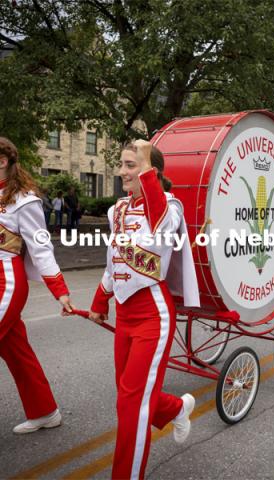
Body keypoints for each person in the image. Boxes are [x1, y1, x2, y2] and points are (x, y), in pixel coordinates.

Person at [88, 139, 200, 480]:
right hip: (125, 314)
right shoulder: (117, 210)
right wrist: (100, 298)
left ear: (151, 170)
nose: (122, 172)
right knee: (128, 392)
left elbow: (157, 217)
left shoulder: (169, 206)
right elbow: (114, 261)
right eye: (121, 165)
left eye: (130, 165)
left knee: (131, 405)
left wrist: (147, 158)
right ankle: (178, 407)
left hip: (154, 315)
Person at [0, 137, 74, 434]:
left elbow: (42, 249)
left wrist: (61, 290)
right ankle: (45, 411)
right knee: (16, 350)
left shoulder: (25, 201)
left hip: (6, 282)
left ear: (3, 161)